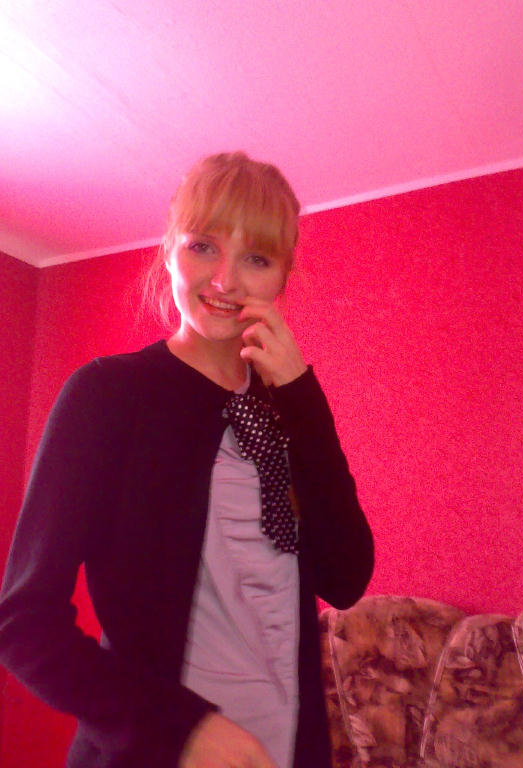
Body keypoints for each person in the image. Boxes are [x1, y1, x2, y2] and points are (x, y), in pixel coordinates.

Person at [0, 152, 374, 768]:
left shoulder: (290, 407)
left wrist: (303, 396)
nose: (225, 280)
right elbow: (23, 623)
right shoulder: (108, 394)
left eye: (256, 258)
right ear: (169, 251)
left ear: (283, 277)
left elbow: (347, 578)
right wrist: (182, 731)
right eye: (203, 246)